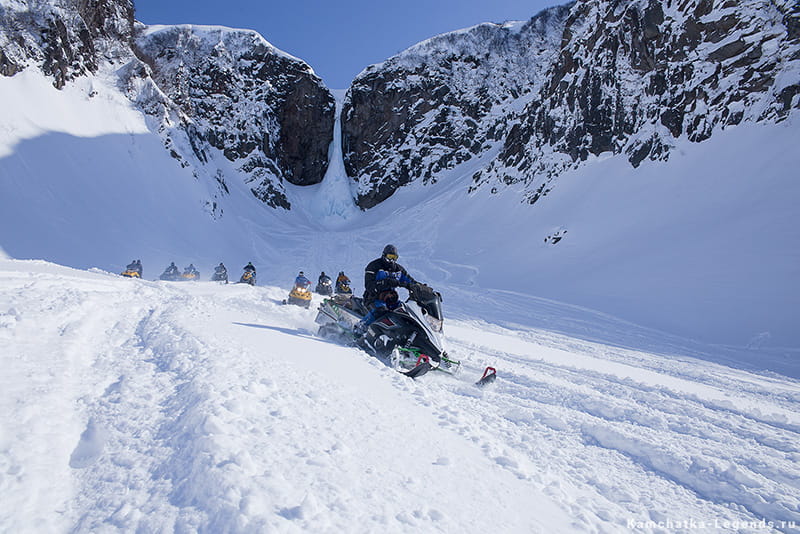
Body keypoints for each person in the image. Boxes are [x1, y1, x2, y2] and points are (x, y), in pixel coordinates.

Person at [355, 244, 417, 335]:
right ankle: (360, 328)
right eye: (390, 256)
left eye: (394, 257)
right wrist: (386, 282)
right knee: (380, 310)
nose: (391, 260)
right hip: (373, 298)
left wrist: (421, 287)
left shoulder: (398, 269)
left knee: (405, 311)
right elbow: (369, 285)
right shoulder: (374, 266)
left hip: (391, 299)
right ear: (384, 255)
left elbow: (410, 281)